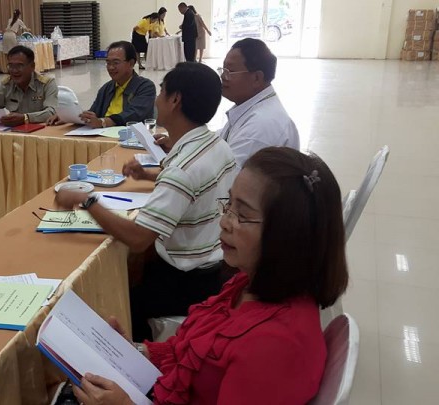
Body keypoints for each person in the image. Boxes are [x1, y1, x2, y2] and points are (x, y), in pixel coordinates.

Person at [71, 147, 349, 405]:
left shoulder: (274, 345)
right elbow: (193, 354)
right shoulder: (248, 283)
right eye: (229, 205)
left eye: (242, 215)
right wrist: (133, 352)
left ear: (287, 237)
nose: (224, 222)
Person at [55, 62, 237, 341]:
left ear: (175, 100)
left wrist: (87, 201)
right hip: (212, 269)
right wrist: (149, 175)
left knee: (108, 302)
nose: (156, 100)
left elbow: (139, 238)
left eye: (162, 92)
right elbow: (194, 187)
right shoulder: (217, 145)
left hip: (184, 283)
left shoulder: (182, 169)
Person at [216, 38, 300, 166]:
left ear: (257, 78)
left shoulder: (260, 127)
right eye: (223, 70)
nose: (223, 77)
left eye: (230, 71)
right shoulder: (252, 106)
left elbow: (227, 175)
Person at [47, 41, 156, 128]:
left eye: (116, 63)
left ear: (131, 63)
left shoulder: (145, 86)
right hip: (102, 136)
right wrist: (68, 117)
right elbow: (93, 113)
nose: (111, 67)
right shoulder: (107, 88)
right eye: (108, 63)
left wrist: (103, 122)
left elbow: (133, 114)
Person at [0, 45, 57, 126]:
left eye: (19, 66)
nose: (14, 71)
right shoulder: (7, 84)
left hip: (40, 133)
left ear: (32, 66)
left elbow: (51, 112)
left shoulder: (47, 84)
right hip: (12, 133)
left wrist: (25, 118)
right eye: (10, 66)